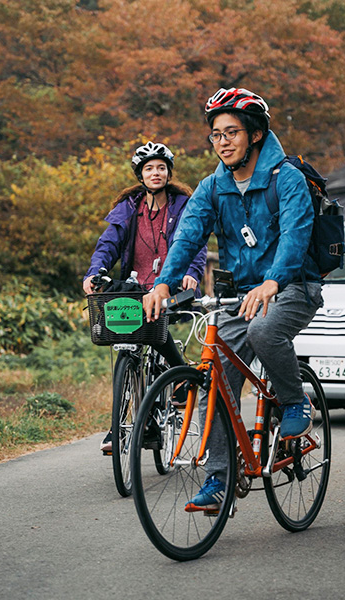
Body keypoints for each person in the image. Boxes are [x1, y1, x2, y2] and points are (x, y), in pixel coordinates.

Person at [143, 88, 324, 510]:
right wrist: (164, 283)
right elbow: (188, 236)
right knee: (213, 381)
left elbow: (296, 236)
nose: (222, 141)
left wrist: (273, 281)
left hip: (293, 287)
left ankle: (296, 401)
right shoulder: (212, 187)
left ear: (256, 134)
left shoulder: (288, 179)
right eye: (215, 134)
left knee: (264, 330)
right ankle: (220, 479)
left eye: (232, 132)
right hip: (241, 295)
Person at [83, 141, 207, 454]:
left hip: (171, 286)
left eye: (161, 168)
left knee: (154, 327)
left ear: (169, 173)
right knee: (128, 351)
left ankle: (179, 377)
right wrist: (94, 272)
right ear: (140, 175)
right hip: (135, 286)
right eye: (149, 168)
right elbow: (107, 244)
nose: (156, 173)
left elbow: (195, 241)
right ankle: (123, 425)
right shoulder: (129, 208)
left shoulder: (182, 205)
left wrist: (192, 271)